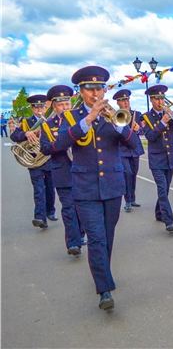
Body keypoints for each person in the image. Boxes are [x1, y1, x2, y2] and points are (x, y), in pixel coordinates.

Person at [54, 65, 140, 310]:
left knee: (108, 236)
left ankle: (103, 272)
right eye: (91, 90)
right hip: (84, 188)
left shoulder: (114, 115)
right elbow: (60, 143)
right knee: (96, 238)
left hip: (113, 185)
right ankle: (104, 290)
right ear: (80, 91)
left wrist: (118, 126)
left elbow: (134, 145)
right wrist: (88, 119)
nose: (96, 94)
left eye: (100, 89)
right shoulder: (71, 117)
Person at [40, 85, 86, 255]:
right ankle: (73, 243)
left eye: (67, 103)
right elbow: (45, 148)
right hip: (62, 171)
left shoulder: (79, 121)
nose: (65, 108)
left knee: (81, 206)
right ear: (54, 106)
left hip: (81, 170)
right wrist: (60, 144)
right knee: (68, 208)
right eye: (61, 105)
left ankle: (81, 234)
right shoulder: (47, 126)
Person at [141, 85, 173, 232]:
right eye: (157, 99)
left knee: (165, 189)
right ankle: (168, 220)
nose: (160, 102)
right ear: (151, 100)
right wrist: (162, 122)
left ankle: (159, 213)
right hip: (157, 159)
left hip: (170, 158)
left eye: (162, 98)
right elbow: (149, 136)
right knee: (162, 188)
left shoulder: (169, 114)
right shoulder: (145, 117)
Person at [10, 94, 57, 229]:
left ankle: (50, 211)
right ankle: (40, 217)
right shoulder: (26, 122)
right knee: (38, 189)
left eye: (42, 106)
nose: (40, 110)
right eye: (36, 108)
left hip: (49, 158)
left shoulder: (51, 120)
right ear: (32, 108)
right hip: (34, 161)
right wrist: (26, 134)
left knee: (50, 187)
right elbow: (14, 136)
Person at [113, 89, 145, 212]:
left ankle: (132, 198)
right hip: (122, 149)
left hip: (134, 149)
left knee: (134, 173)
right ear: (118, 103)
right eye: (122, 101)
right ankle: (127, 200)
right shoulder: (115, 115)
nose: (126, 103)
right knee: (127, 173)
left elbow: (142, 131)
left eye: (127, 100)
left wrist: (138, 130)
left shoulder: (137, 114)